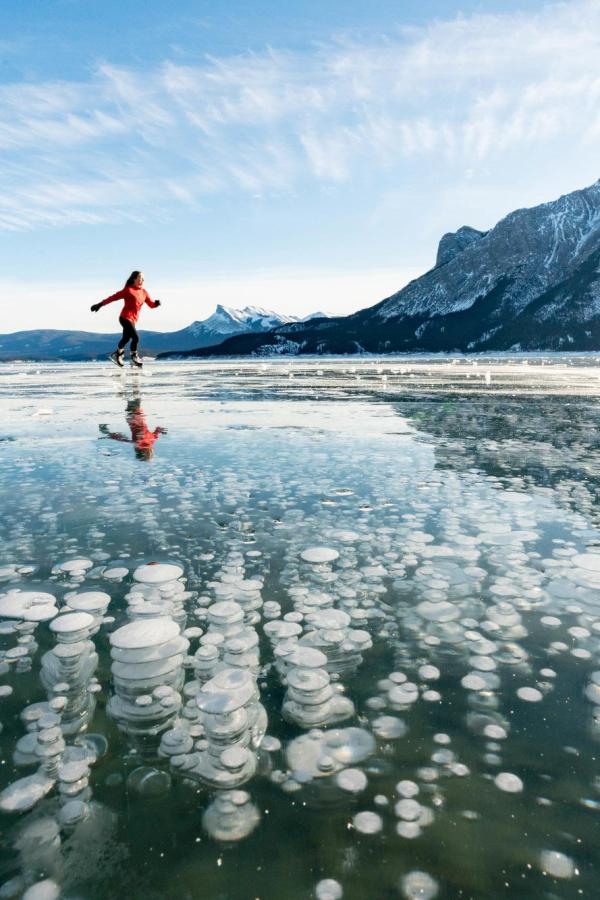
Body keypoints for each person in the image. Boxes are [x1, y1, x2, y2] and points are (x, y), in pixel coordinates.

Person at [90, 270, 161, 367]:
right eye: (140, 278)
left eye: (143, 279)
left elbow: (151, 304)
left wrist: (156, 304)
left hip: (133, 320)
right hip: (124, 317)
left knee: (126, 338)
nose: (142, 280)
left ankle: (117, 354)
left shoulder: (144, 292)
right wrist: (100, 304)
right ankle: (134, 356)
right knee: (135, 337)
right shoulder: (128, 290)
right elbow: (113, 297)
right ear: (134, 278)